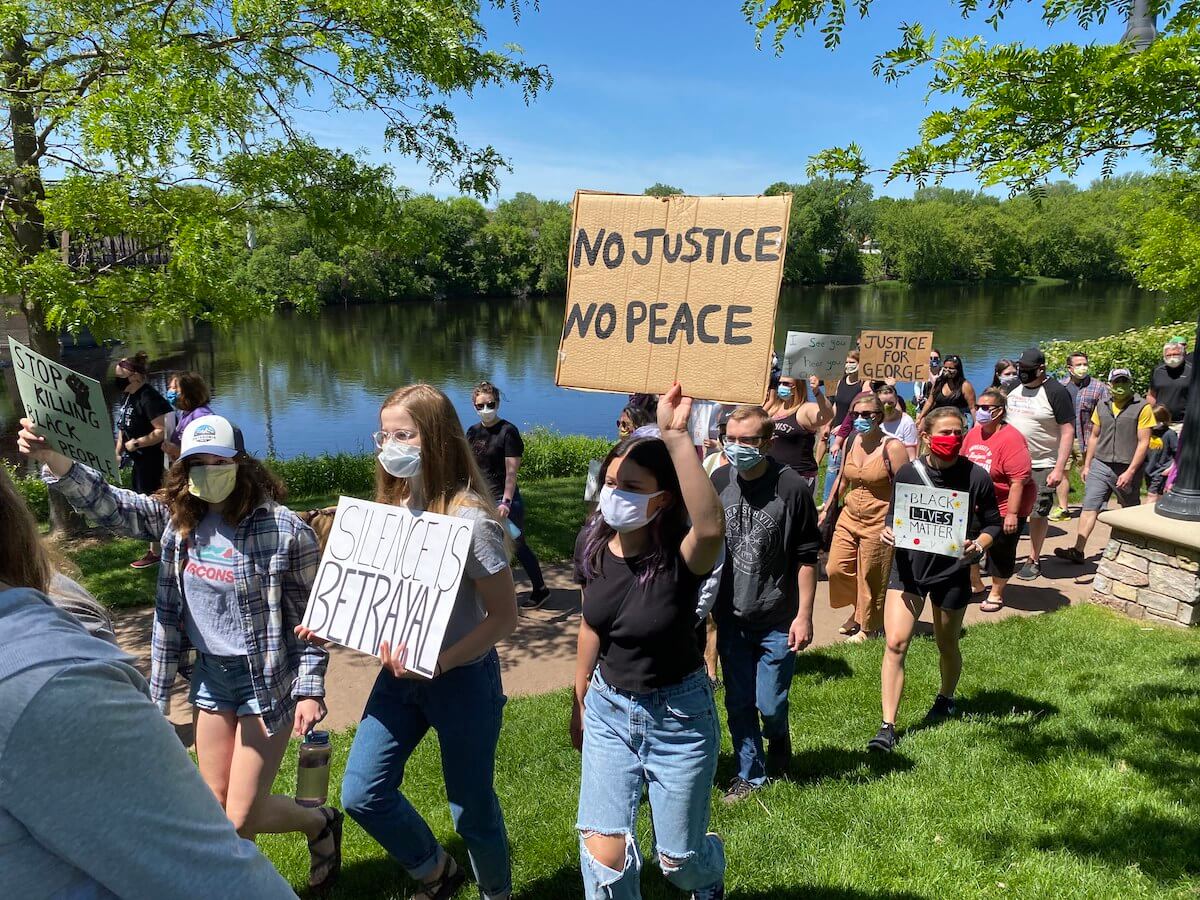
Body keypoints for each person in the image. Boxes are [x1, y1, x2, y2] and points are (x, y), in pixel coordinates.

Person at [18, 413, 341, 891]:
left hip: (267, 682)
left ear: (241, 463)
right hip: (210, 677)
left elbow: (311, 623)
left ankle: (319, 823)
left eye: (218, 461)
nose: (208, 471)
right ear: (182, 468)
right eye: (196, 462)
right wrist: (57, 462)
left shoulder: (284, 530)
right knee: (214, 805)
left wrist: (310, 688)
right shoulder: (176, 519)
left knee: (238, 818)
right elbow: (112, 506)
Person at [298, 383, 518, 900]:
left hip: (461, 678)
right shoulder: (392, 504)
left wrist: (440, 664)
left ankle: (497, 893)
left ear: (436, 440)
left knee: (471, 806)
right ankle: (436, 871)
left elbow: (503, 618)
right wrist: (330, 618)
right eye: (385, 434)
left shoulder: (471, 520)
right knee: (362, 793)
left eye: (404, 434)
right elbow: (377, 593)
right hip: (398, 678)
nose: (389, 444)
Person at [571, 384, 726, 900]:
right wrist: (580, 703)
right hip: (608, 710)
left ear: (660, 499)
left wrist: (678, 435)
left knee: (678, 863)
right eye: (611, 481)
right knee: (604, 856)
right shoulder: (593, 542)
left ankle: (709, 873)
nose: (614, 493)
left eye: (630, 486)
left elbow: (710, 527)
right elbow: (592, 625)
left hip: (678, 718)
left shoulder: (684, 559)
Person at [868, 407, 1002, 753]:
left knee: (947, 643)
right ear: (926, 437)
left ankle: (945, 698)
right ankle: (887, 726)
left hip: (952, 573)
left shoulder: (977, 477)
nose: (953, 439)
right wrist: (887, 531)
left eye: (959, 432)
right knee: (896, 644)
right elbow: (895, 515)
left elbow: (992, 523)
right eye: (945, 433)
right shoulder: (908, 473)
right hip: (909, 570)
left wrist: (979, 544)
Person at [710, 405, 819, 803]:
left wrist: (804, 615)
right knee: (738, 700)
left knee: (770, 703)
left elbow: (808, 557)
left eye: (747, 440)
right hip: (732, 616)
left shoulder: (791, 488)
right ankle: (750, 775)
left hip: (777, 616)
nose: (737, 447)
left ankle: (778, 736)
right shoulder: (720, 479)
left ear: (767, 443)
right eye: (731, 439)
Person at [823, 393, 909, 642]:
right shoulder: (851, 440)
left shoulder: (892, 447)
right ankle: (859, 611)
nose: (860, 419)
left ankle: (868, 629)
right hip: (849, 516)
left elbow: (904, 490)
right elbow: (842, 478)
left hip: (879, 519)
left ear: (879, 416)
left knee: (871, 575)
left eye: (867, 414)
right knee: (836, 568)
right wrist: (828, 509)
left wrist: (894, 523)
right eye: (855, 414)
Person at [466, 380, 550, 610]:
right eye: (480, 406)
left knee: (517, 545)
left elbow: (511, 473)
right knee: (484, 547)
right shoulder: (473, 432)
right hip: (479, 499)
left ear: (498, 403)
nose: (485, 409)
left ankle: (541, 589)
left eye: (489, 404)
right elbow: (472, 467)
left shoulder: (508, 431)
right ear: (474, 406)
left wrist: (506, 502)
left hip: (504, 501)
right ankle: (488, 597)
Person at [1055, 369, 1153, 566]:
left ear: (1130, 383)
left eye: (1124, 381)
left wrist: (1131, 471)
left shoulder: (1142, 407)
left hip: (1126, 467)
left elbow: (1144, 442)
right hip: (1100, 464)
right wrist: (1087, 464)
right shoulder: (1102, 405)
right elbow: (1094, 436)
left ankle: (1132, 552)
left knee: (1129, 510)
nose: (1120, 386)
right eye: (1117, 382)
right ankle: (1078, 550)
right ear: (1110, 384)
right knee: (1090, 506)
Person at [1004, 348, 1075, 581]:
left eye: (1026, 370)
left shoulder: (1056, 392)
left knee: (1037, 512)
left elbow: (1067, 431)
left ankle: (1033, 559)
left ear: (1041, 369)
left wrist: (1058, 468)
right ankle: (1001, 555)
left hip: (1043, 463)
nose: (1022, 374)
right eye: (1020, 369)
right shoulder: (1012, 388)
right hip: (1011, 462)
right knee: (1006, 510)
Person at [962, 389, 1033, 612]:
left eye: (985, 408)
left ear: (999, 411)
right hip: (977, 503)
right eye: (978, 407)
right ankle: (975, 583)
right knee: (969, 543)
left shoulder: (1011, 439)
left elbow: (1018, 481)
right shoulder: (974, 434)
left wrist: (1012, 513)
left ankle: (996, 592)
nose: (980, 412)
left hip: (1005, 504)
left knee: (1001, 548)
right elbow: (964, 465)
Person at [113, 352, 173, 568]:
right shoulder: (130, 396)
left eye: (121, 377)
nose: (118, 382)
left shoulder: (149, 398)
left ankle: (159, 551)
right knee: (145, 504)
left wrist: (137, 443)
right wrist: (118, 451)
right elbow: (122, 428)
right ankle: (156, 549)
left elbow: (162, 430)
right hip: (138, 463)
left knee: (153, 505)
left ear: (136, 377)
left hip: (153, 463)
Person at [1052, 351, 1109, 522]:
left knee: (1090, 473)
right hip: (1064, 439)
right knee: (1062, 472)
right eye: (1078, 365)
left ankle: (1095, 506)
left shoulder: (1099, 387)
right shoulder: (1059, 387)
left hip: (1089, 438)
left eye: (1084, 364)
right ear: (1070, 368)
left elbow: (1106, 413)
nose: (1082, 368)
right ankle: (1063, 508)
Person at [765, 373, 834, 491]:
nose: (782, 386)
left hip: (799, 477)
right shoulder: (774, 408)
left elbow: (827, 415)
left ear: (797, 386)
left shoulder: (805, 409)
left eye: (786, 384)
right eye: (780, 383)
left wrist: (817, 392)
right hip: (772, 474)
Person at [820, 350, 864, 504]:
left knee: (851, 468)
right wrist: (828, 424)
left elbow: (860, 408)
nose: (848, 366)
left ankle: (850, 500)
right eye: (846, 362)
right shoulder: (841, 380)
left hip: (854, 431)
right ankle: (827, 502)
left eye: (852, 362)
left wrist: (843, 427)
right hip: (835, 430)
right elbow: (836, 407)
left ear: (860, 364)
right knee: (833, 467)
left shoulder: (863, 384)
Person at [162, 371, 215, 461]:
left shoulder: (202, 416)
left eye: (175, 388)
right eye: (170, 388)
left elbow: (208, 453)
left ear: (189, 392)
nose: (170, 392)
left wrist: (178, 451)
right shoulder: (185, 413)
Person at [917, 354, 977, 430]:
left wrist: (977, 425)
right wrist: (920, 417)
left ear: (958, 370)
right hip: (940, 420)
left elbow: (972, 408)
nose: (947, 370)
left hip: (960, 421)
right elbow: (929, 401)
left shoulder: (965, 385)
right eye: (945, 367)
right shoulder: (938, 382)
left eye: (951, 368)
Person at [1147, 338, 1192, 431]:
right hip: (1160, 423)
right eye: (1169, 355)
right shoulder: (1157, 371)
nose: (1172, 358)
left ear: (1183, 354)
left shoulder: (1192, 370)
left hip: (1183, 424)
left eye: (1175, 354)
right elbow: (1151, 395)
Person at [1144, 405, 1179, 504]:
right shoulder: (1150, 432)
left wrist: (1170, 469)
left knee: (1152, 494)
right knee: (1157, 495)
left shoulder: (1169, 434)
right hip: (1149, 469)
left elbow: (1177, 454)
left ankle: (1147, 516)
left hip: (1161, 470)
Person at [878, 384, 919, 460]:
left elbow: (911, 456)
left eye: (890, 403)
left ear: (896, 400)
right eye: (883, 403)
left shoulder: (906, 422)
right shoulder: (875, 420)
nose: (887, 406)